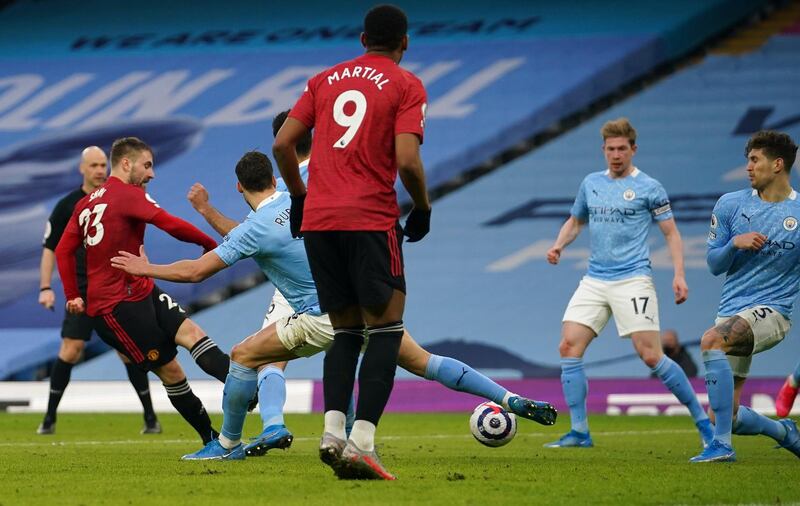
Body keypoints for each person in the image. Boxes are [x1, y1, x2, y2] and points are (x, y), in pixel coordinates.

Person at [110, 150, 556, 464]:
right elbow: (254, 231)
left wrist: (145, 268)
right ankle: (508, 398)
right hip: (365, 304)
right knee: (423, 361)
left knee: (245, 355)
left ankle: (226, 443)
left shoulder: (255, 225)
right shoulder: (295, 196)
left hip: (322, 318)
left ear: (239, 187)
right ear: (273, 178)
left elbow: (194, 272)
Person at [273, 4, 431, 480]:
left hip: (320, 221)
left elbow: (282, 145)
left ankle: (332, 433)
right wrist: (422, 206)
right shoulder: (406, 85)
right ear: (404, 43)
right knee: (386, 328)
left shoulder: (323, 80)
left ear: (362, 39)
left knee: (345, 330)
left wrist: (299, 197)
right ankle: (362, 442)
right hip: (369, 217)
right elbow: (406, 159)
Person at [544, 118, 713, 449]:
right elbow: (576, 221)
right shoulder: (591, 183)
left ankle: (705, 424)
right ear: (603, 150)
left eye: (622, 148)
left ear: (633, 149)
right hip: (595, 279)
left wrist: (679, 274)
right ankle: (579, 431)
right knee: (568, 347)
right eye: (610, 149)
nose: (616, 155)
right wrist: (558, 245)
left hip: (632, 279)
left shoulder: (650, 187)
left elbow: (671, 233)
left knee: (651, 355)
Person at [54, 137, 231, 445]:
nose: (152, 174)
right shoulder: (126, 195)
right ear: (126, 163)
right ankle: (211, 439)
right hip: (115, 307)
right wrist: (210, 245)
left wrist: (72, 294)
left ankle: (247, 391)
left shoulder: (87, 202)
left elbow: (63, 250)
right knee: (172, 371)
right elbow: (170, 224)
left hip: (142, 288)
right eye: (147, 166)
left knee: (193, 333)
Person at [690, 130, 800, 463]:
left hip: (774, 313)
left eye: (755, 160)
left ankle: (721, 447)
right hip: (732, 310)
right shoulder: (730, 205)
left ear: (777, 164)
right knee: (727, 416)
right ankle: (784, 432)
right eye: (747, 160)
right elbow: (712, 264)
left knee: (711, 341)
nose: (748, 167)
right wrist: (733, 244)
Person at [37, 146, 160, 435]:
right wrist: (45, 287)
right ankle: (49, 419)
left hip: (115, 291)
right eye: (93, 165)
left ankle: (151, 418)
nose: (99, 170)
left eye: (103, 164)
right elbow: (50, 249)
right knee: (71, 349)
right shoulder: (68, 205)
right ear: (82, 168)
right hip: (81, 292)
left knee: (128, 353)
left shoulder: (117, 197)